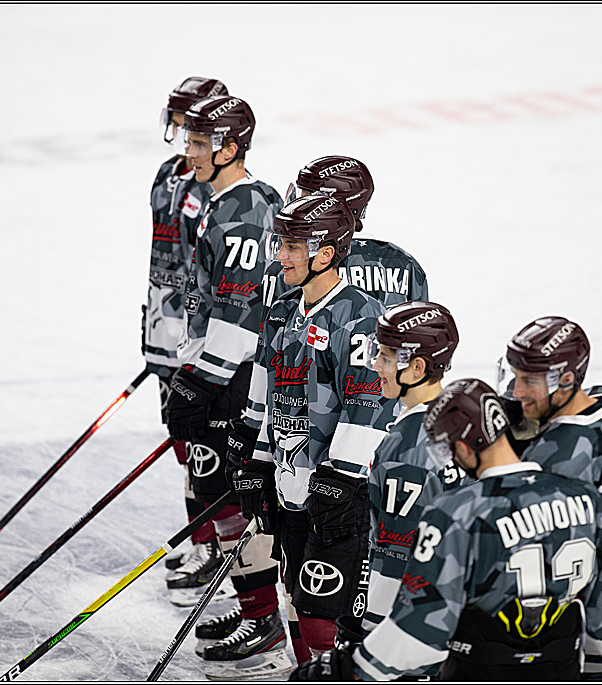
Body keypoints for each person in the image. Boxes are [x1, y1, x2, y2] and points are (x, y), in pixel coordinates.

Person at [291, 379, 602, 681]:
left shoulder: (457, 514)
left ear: (464, 448)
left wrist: (352, 667)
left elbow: (422, 630)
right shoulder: (583, 499)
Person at [228, 194, 397, 665]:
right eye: (281, 244)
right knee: (297, 598)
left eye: (291, 247)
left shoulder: (361, 318)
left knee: (325, 616)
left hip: (338, 493)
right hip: (291, 483)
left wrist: (341, 477)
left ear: (324, 253)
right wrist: (259, 462)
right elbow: (273, 397)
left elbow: (367, 405)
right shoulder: (282, 312)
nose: (280, 256)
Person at [161, 94, 288, 676]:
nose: (187, 152)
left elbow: (237, 322)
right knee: (228, 498)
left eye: (197, 142)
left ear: (229, 147)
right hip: (228, 374)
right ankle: (257, 611)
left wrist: (197, 382)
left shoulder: (242, 210)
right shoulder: (233, 202)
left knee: (233, 499)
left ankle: (264, 621)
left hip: (234, 380)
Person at [501, 316, 602, 679]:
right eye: (515, 376)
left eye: (529, 380)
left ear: (565, 379)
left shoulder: (555, 457)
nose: (516, 391)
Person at [141, 75, 232, 592]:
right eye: (177, 119)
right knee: (183, 445)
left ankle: (218, 547)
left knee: (206, 450)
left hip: (198, 341)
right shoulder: (167, 174)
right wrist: (155, 328)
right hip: (164, 329)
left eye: (188, 121)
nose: (179, 130)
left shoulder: (218, 191)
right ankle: (203, 542)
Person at [353, 300, 467, 679]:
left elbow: (394, 551)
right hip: (455, 618)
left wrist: (373, 629)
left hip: (411, 631)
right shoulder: (466, 417)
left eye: (386, 357)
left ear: (417, 367)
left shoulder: (405, 444)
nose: (375, 365)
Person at [263, 156, 428, 309]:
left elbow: (271, 328)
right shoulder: (406, 264)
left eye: (305, 200)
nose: (296, 205)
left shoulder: (292, 265)